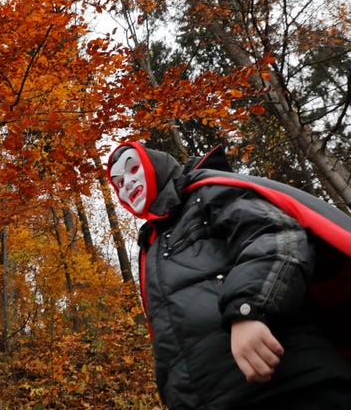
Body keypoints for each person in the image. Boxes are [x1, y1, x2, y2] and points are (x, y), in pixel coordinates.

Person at [107, 142, 351, 410]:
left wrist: (249, 308)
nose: (127, 184)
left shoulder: (206, 193)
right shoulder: (150, 247)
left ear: (156, 166)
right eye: (118, 183)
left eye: (133, 169)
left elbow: (272, 234)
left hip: (292, 382)